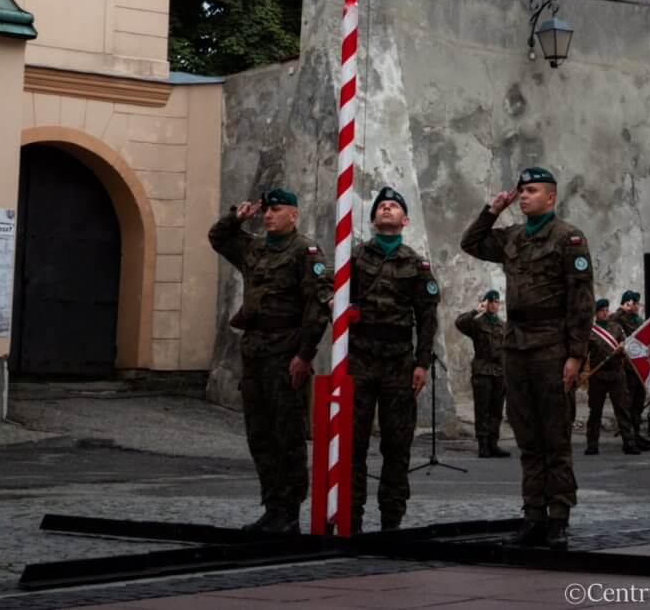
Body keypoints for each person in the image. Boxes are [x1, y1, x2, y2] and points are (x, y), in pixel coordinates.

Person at [461, 165, 593, 551]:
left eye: (532, 190)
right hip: (516, 346)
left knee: (555, 436)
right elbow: (470, 243)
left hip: (552, 346)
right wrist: (492, 210)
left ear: (551, 197)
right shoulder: (513, 237)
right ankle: (533, 514)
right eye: (521, 191)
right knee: (527, 436)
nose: (523, 196)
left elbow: (581, 303)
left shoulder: (568, 238)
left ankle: (559, 517)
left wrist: (575, 356)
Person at [208, 187, 332, 533]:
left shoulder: (305, 251)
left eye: (277, 210)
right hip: (255, 352)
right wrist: (237, 216)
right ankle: (272, 506)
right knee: (259, 434)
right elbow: (218, 238)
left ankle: (290, 511)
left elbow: (317, 307)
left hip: (286, 351)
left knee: (287, 434)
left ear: (293, 214)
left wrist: (305, 356)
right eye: (267, 211)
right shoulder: (255, 248)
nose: (269, 216)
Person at [349, 185, 440, 533]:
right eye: (381, 206)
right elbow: (331, 293)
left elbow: (427, 317)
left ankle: (391, 520)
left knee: (397, 444)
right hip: (360, 359)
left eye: (393, 206)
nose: (386, 209)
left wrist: (422, 363)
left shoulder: (416, 264)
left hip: (399, 363)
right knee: (353, 444)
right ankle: (351, 516)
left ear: (405, 219)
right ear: (373, 218)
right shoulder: (355, 257)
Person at [454, 290, 509, 457]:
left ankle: (493, 443)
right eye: (491, 301)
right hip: (482, 372)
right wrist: (476, 310)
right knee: (482, 409)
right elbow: (459, 323)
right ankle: (483, 445)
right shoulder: (477, 324)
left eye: (496, 302)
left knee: (496, 410)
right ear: (486, 303)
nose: (494, 304)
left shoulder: (503, 325)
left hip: (499, 373)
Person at [583, 299, 639, 456]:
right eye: (602, 311)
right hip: (598, 375)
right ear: (596, 313)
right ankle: (592, 444)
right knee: (595, 411)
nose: (605, 313)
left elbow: (628, 346)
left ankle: (629, 442)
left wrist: (622, 348)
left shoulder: (616, 328)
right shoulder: (590, 331)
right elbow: (582, 354)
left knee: (622, 409)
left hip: (616, 374)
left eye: (607, 310)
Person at [609, 291, 650, 449]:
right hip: (627, 367)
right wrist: (623, 309)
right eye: (633, 303)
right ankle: (628, 438)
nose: (636, 306)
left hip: (640, 367)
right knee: (627, 402)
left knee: (638, 403)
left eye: (637, 303)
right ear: (627, 303)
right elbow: (610, 323)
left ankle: (636, 433)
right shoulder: (619, 318)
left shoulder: (639, 320)